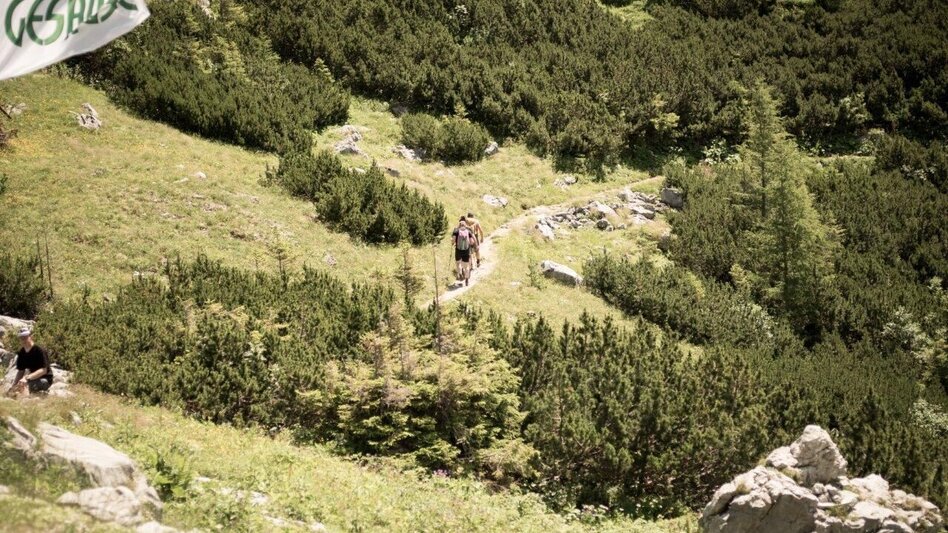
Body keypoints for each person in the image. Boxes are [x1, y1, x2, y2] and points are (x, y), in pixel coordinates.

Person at [5, 327, 53, 397]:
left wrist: (26, 378)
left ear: (31, 336)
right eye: (21, 337)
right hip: (32, 378)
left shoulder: (40, 350)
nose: (23, 339)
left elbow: (44, 370)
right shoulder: (22, 352)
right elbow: (21, 371)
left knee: (24, 386)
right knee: (14, 389)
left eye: (25, 337)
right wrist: (14, 384)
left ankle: (25, 401)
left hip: (45, 379)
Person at [451, 217, 475, 286]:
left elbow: (453, 240)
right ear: (465, 225)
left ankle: (461, 274)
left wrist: (453, 243)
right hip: (466, 251)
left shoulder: (456, 231)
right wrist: (469, 245)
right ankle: (467, 280)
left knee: (458, 263)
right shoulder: (468, 231)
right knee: (466, 266)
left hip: (458, 250)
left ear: (459, 225)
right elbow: (472, 242)